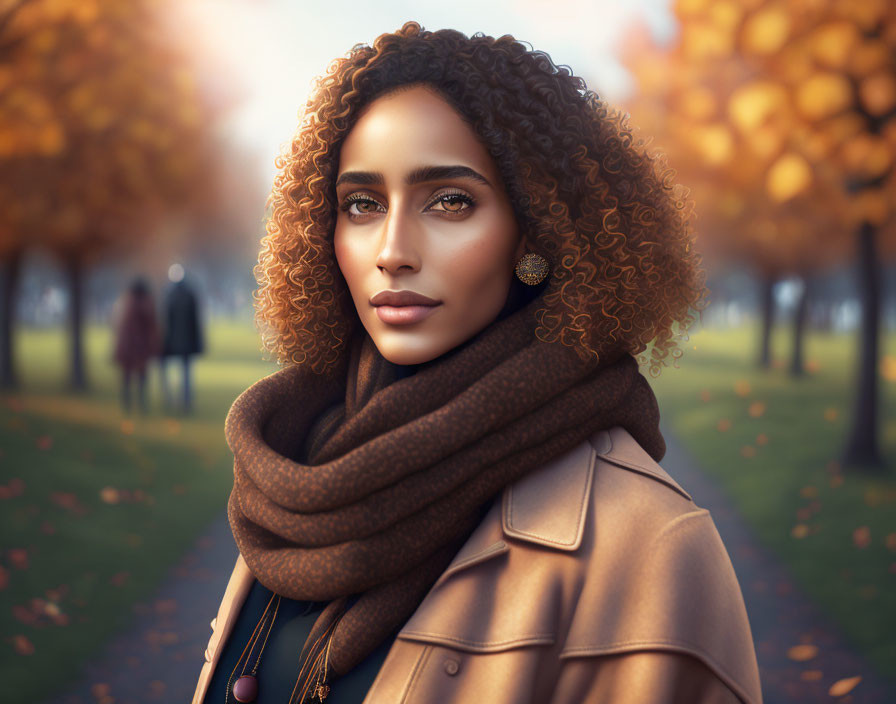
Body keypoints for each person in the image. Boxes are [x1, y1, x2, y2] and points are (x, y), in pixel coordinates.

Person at [193, 22, 762, 704]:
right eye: (363, 204)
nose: (393, 250)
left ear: (538, 230)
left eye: (450, 201)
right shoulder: (299, 481)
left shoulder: (652, 552)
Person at [112, 277, 160, 415]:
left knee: (127, 378)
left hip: (126, 347)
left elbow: (118, 326)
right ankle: (141, 404)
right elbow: (152, 327)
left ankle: (127, 404)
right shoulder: (145, 305)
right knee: (141, 378)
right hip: (139, 348)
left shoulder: (125, 304)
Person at [161, 263, 204, 414]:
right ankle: (184, 402)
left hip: (173, 341)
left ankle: (174, 400)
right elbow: (195, 321)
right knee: (185, 373)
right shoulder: (188, 294)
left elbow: (165, 320)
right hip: (185, 342)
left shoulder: (169, 294)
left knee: (181, 372)